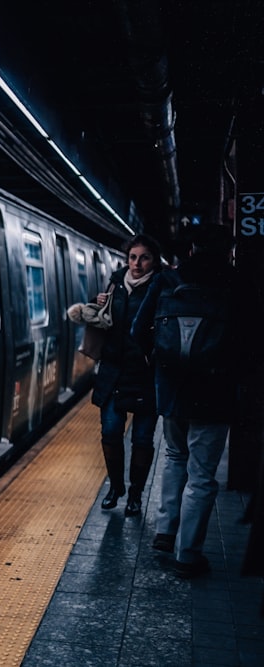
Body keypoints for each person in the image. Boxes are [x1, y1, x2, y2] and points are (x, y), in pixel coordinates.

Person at [131, 224, 241, 578]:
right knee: (203, 476)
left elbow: (137, 329)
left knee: (175, 456)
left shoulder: (168, 280)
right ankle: (188, 554)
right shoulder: (237, 282)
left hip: (172, 387)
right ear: (227, 250)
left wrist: (159, 361)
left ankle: (165, 531)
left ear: (192, 248)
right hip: (215, 391)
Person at [91, 234, 163, 516]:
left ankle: (135, 493)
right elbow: (100, 319)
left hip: (147, 375)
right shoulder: (115, 285)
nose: (137, 263)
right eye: (133, 257)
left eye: (144, 257)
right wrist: (97, 303)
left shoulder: (162, 289)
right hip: (114, 373)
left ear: (154, 261)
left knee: (143, 439)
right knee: (110, 432)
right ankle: (116, 487)